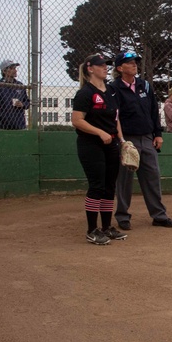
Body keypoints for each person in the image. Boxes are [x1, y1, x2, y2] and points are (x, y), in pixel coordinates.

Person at [110, 51, 172, 231]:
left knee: (152, 176)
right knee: (124, 179)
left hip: (147, 137)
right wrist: (121, 140)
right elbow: (113, 116)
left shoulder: (144, 86)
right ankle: (123, 216)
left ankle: (159, 216)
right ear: (119, 68)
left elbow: (153, 111)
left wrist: (158, 134)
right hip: (127, 140)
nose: (134, 65)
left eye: (135, 62)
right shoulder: (114, 88)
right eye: (129, 62)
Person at [70, 53, 128, 245]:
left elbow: (116, 118)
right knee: (97, 186)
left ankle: (106, 227)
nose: (105, 67)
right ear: (90, 68)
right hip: (91, 145)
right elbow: (77, 121)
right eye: (101, 65)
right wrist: (99, 132)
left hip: (111, 143)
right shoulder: (85, 93)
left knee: (109, 186)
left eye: (106, 65)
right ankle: (91, 230)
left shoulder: (111, 91)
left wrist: (122, 140)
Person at [0, 59, 30, 130]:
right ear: (4, 71)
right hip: (4, 126)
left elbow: (27, 102)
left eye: (15, 68)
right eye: (12, 68)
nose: (15, 70)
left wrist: (22, 104)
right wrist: (3, 118)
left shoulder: (20, 85)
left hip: (20, 124)